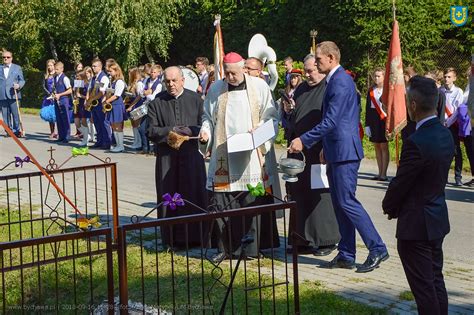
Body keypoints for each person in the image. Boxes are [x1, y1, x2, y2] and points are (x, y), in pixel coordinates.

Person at [288, 41, 388, 273]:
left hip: (345, 152)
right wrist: (325, 146)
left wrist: (304, 139)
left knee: (347, 202)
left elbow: (331, 120)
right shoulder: (335, 79)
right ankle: (346, 253)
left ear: (331, 58)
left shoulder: (341, 81)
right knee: (340, 204)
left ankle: (377, 248)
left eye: (320, 59)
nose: (317, 62)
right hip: (335, 150)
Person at [383, 76, 454, 315]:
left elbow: (402, 183)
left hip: (416, 225)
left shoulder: (416, 142)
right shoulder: (445, 135)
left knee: (424, 290)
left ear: (413, 105)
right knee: (435, 281)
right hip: (436, 219)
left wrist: (389, 206)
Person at [199, 52, 280, 261]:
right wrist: (205, 132)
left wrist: (259, 131)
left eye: (234, 73)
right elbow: (207, 116)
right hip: (223, 154)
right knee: (222, 202)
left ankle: (251, 250)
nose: (230, 77)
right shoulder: (216, 88)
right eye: (227, 73)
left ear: (244, 68)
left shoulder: (259, 87)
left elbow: (271, 116)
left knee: (250, 201)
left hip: (250, 155)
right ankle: (224, 249)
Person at [283, 54, 340, 256]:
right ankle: (302, 239)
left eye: (311, 70)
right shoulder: (302, 89)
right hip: (300, 148)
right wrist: (289, 112)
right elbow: (296, 116)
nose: (307, 74)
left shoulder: (329, 88)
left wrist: (327, 145)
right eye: (305, 71)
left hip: (319, 149)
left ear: (320, 68)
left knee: (320, 194)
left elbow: (333, 120)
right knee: (299, 192)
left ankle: (326, 240)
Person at [146, 66, 208, 248]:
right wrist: (171, 131)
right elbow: (150, 130)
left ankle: (197, 237)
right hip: (167, 157)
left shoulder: (196, 100)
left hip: (191, 156)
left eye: (174, 80)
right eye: (167, 81)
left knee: (194, 193)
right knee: (169, 195)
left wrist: (191, 130)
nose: (171, 85)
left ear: (183, 80)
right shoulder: (157, 102)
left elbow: (204, 124)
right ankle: (172, 238)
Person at [440, 67, 464, 186]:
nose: (446, 79)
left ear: (454, 78)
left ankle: (458, 176)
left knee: (456, 151)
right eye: (445, 76)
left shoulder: (458, 91)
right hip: (442, 124)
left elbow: (458, 110)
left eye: (449, 77)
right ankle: (443, 176)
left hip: (453, 124)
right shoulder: (440, 90)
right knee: (443, 151)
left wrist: (448, 122)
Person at [365, 68, 390, 181]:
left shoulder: (388, 90)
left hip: (384, 120)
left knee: (384, 146)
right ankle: (379, 172)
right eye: (375, 76)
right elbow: (368, 109)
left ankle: (384, 173)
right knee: (376, 146)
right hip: (374, 120)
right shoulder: (371, 90)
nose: (376, 78)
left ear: (384, 77)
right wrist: (367, 125)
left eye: (379, 76)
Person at [86, 58, 111, 149]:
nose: (93, 68)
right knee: (97, 123)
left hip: (100, 103)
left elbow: (102, 92)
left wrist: (92, 99)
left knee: (103, 123)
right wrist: (88, 100)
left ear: (100, 67)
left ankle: (106, 142)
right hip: (94, 104)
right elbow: (90, 89)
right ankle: (99, 141)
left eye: (95, 66)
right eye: (92, 66)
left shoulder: (103, 77)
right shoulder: (93, 78)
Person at [0, 50, 25, 137]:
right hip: (2, 95)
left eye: (8, 57)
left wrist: (19, 85)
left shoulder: (17, 68)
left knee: (15, 114)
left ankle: (16, 130)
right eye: (4, 57)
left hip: (14, 94)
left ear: (11, 58)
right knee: (5, 115)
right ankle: (8, 131)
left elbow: (22, 80)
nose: (6, 58)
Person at [139, 64, 163, 155]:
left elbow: (153, 97)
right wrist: (144, 93)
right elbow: (141, 93)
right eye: (151, 72)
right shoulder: (147, 80)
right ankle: (145, 148)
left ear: (158, 73)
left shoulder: (159, 84)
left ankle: (155, 149)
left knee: (153, 129)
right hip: (145, 106)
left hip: (154, 107)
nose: (152, 74)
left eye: (154, 72)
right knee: (142, 128)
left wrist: (146, 94)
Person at [104, 62, 126, 153]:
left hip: (117, 105)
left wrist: (107, 101)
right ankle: (117, 144)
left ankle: (121, 145)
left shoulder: (120, 81)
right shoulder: (113, 81)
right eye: (108, 71)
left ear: (116, 71)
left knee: (117, 126)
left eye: (111, 71)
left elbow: (117, 95)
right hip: (113, 105)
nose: (109, 73)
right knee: (113, 125)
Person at [53, 62, 72, 143]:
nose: (55, 71)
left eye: (57, 69)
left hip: (64, 100)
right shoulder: (55, 78)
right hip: (57, 100)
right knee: (59, 118)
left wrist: (60, 94)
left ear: (62, 69)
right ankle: (61, 136)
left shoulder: (65, 78)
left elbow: (70, 90)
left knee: (65, 118)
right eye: (55, 69)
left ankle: (67, 136)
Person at [126, 67, 145, 150]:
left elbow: (139, 96)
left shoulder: (139, 83)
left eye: (130, 73)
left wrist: (131, 106)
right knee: (133, 124)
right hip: (133, 104)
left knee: (137, 124)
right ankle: (136, 141)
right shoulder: (132, 83)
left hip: (138, 105)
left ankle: (139, 142)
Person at [75, 67, 93, 147]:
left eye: (78, 76)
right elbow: (76, 93)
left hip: (84, 104)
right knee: (77, 122)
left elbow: (88, 96)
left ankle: (85, 139)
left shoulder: (87, 84)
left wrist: (81, 96)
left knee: (84, 121)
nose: (76, 77)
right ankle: (87, 135)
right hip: (78, 104)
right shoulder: (78, 83)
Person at [40, 59, 57, 139]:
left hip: (56, 96)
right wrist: (49, 94)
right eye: (48, 65)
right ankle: (52, 132)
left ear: (54, 66)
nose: (50, 67)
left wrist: (55, 94)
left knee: (57, 115)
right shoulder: (45, 75)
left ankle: (60, 132)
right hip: (48, 97)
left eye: (51, 65)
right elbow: (43, 86)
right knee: (50, 116)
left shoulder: (56, 75)